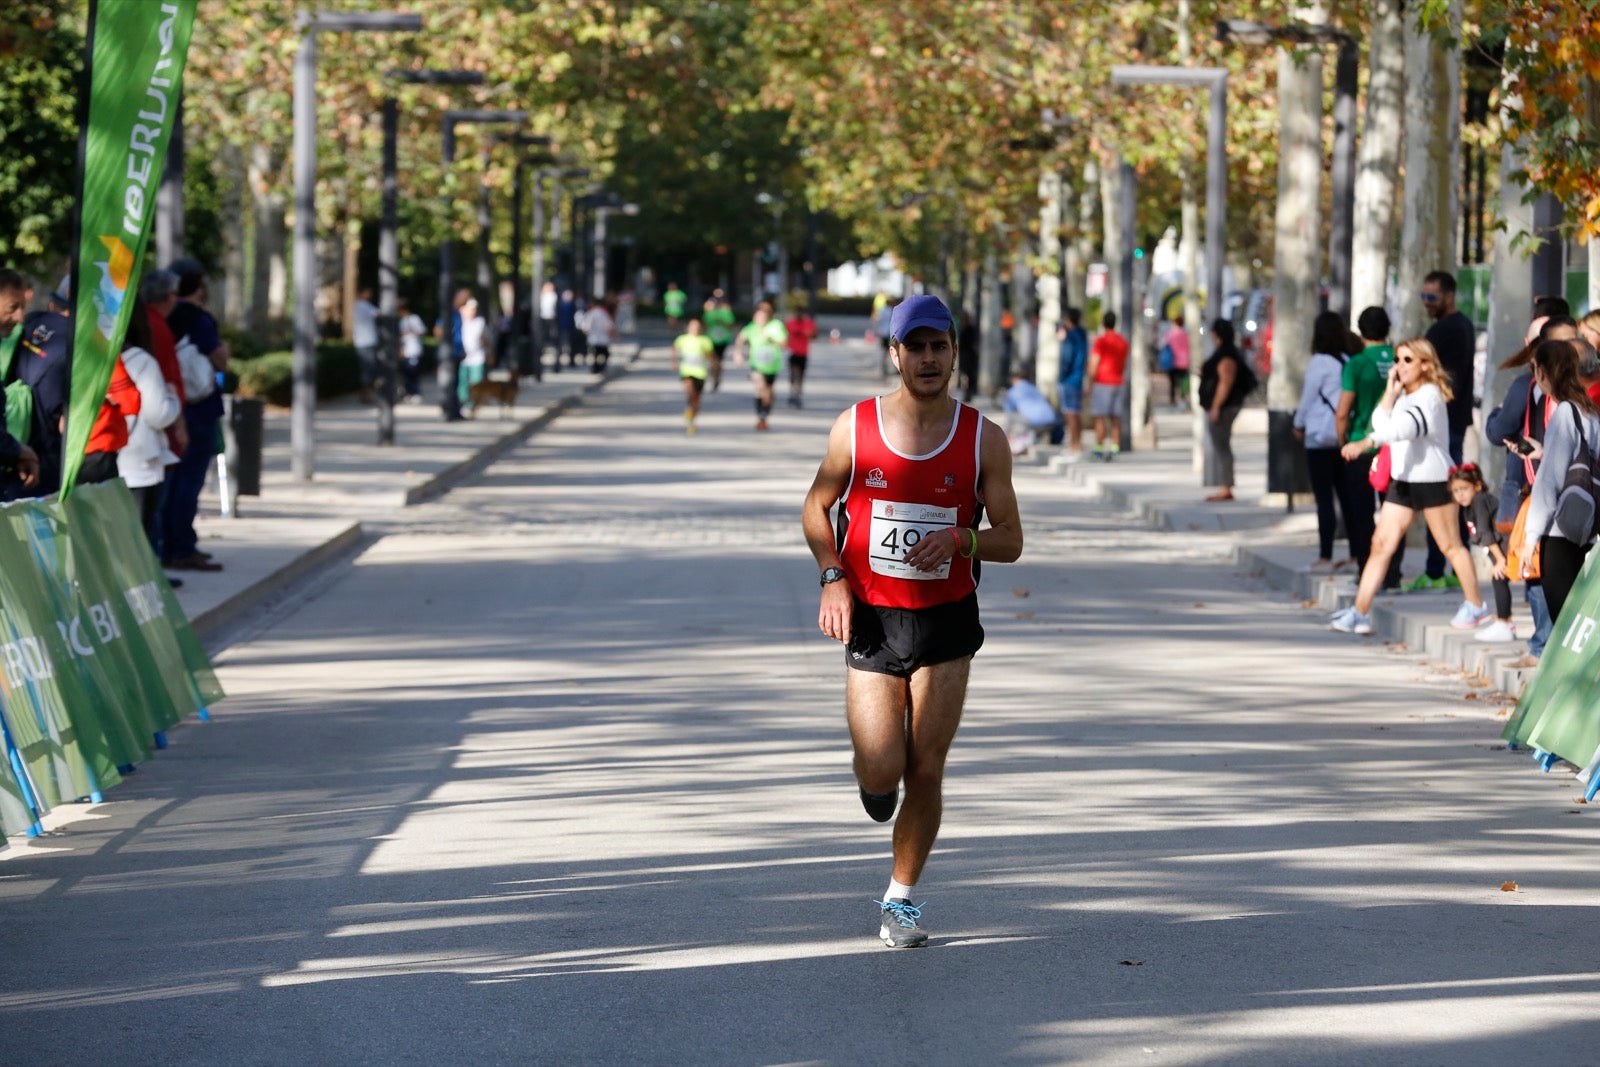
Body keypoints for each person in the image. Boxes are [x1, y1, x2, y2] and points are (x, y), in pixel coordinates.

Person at [801, 293, 1023, 949]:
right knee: (880, 768)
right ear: (894, 353)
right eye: (916, 346)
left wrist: (963, 541)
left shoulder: (984, 437)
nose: (928, 358)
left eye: (939, 346)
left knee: (926, 769)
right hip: (872, 617)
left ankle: (900, 906)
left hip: (947, 620)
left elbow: (1010, 537)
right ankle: (876, 791)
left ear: (954, 351)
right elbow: (816, 506)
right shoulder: (855, 426)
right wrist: (833, 575)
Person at [1333, 338, 1490, 635]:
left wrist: (1367, 443)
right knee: (1381, 545)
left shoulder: (1430, 395)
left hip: (1432, 479)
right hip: (1403, 480)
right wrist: (1390, 394)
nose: (1400, 366)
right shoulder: (1405, 394)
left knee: (1451, 546)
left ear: (1426, 365)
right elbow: (1382, 422)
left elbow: (1408, 428)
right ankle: (1359, 612)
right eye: (1397, 359)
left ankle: (1476, 605)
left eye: (1408, 360)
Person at [1516, 338, 1600, 624]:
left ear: (1541, 372)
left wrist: (1530, 539)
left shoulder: (1564, 412)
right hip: (1586, 525)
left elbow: (1549, 482)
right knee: (1580, 620)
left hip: (1560, 531)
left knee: (1564, 622)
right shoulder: (1589, 411)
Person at [162, 258, 229, 571]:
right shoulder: (199, 319)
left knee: (170, 481)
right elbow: (220, 359)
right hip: (199, 411)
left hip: (169, 408)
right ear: (198, 284)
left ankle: (167, 544)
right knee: (189, 481)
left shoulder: (163, 317)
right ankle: (182, 546)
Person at [1415, 270, 1477, 589]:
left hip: (1444, 425)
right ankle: (1449, 568)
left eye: (1432, 297)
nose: (1426, 303)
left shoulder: (1445, 331)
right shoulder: (1461, 326)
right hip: (1454, 422)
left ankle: (1438, 570)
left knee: (1441, 494)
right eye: (1423, 296)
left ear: (1449, 296)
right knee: (1452, 492)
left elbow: (1441, 381)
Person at [1337, 307, 1398, 583]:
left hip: (1362, 446)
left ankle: (1367, 572)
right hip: (1395, 447)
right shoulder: (1402, 358)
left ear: (1360, 331)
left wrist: (1343, 441)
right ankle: (1392, 575)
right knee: (1395, 514)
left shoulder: (1357, 363)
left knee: (1362, 515)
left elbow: (1343, 410)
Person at [1294, 311, 1357, 569]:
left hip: (1320, 437)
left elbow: (1308, 399)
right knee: (1348, 498)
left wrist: (1297, 424)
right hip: (1344, 438)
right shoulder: (1348, 359)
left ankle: (1325, 555)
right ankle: (1356, 553)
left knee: (1324, 500)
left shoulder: (1318, 362)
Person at [112, 298, 182, 514]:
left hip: (100, 461)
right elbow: (157, 413)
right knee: (137, 539)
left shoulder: (88, 359)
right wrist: (173, 398)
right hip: (138, 462)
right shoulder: (140, 360)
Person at [1449, 464, 1516, 643]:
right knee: (1500, 580)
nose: (1460, 494)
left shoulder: (1480, 500)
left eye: (1464, 488)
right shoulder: (1468, 507)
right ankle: (1505, 622)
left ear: (1477, 486)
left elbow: (1486, 532)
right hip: (1499, 550)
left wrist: (1500, 560)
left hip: (1507, 547)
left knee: (1499, 579)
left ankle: (1505, 623)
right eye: (1455, 491)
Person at [1199, 319, 1250, 501]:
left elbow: (1225, 382)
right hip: (1222, 405)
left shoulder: (1227, 355)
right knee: (1221, 445)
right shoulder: (1224, 352)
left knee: (1222, 447)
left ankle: (1225, 487)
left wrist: (1216, 406)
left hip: (1224, 407)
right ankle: (1224, 486)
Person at [732, 301, 787, 431]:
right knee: (760, 387)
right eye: (758, 316)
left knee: (768, 393)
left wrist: (771, 340)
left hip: (772, 365)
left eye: (764, 315)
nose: (760, 319)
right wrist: (737, 354)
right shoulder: (751, 327)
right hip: (756, 365)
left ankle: (764, 415)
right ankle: (760, 414)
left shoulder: (776, 326)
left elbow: (784, 343)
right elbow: (740, 339)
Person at [1086, 310, 1128, 461]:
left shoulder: (1100, 341)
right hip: (1118, 382)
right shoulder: (1123, 341)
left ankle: (1099, 449)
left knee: (1100, 418)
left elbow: (1094, 363)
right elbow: (1123, 364)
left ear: (1103, 323)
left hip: (1102, 383)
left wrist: (1089, 383)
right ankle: (1115, 449)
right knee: (1116, 418)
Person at [1002, 367, 1064, 455]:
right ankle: (1033, 439)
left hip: (1034, 423)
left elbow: (1009, 416)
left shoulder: (1012, 392)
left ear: (1014, 379)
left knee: (1013, 417)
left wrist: (1005, 435)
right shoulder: (1034, 388)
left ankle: (1017, 442)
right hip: (1052, 421)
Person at [1057, 307, 1089, 462]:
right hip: (1078, 377)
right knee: (1076, 412)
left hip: (1069, 378)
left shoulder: (1070, 337)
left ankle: (1074, 445)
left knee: (1070, 413)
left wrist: (1061, 374)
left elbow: (1067, 358)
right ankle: (1078, 444)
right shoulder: (1083, 335)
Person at [672, 317, 712, 434]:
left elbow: (709, 355)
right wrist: (674, 362)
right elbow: (674, 348)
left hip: (700, 372)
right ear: (688, 327)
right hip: (687, 371)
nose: (695, 328)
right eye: (693, 326)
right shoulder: (682, 339)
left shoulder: (705, 340)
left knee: (697, 399)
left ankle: (692, 421)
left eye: (697, 326)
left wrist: (713, 364)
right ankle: (689, 409)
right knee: (690, 391)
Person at [456, 297, 488, 413]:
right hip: (463, 357)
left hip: (477, 357)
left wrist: (489, 353)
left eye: (473, 309)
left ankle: (473, 404)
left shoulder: (480, 322)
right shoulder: (458, 321)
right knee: (462, 382)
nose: (471, 311)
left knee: (476, 382)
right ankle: (463, 402)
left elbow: (485, 339)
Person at [703, 290, 735, 392]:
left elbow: (731, 325)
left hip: (722, 339)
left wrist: (722, 322)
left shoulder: (726, 312)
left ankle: (717, 376)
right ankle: (714, 376)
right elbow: (704, 325)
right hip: (711, 339)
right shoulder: (709, 313)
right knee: (713, 360)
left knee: (719, 360)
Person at [785, 306, 817, 408]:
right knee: (793, 374)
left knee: (800, 376)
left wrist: (810, 334)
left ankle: (797, 394)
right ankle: (792, 393)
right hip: (792, 352)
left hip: (803, 353)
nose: (799, 315)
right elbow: (784, 334)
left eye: (801, 313)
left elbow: (815, 335)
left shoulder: (808, 323)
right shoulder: (790, 323)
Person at [352, 285, 379, 404]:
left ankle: (365, 395)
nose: (370, 295)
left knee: (367, 369)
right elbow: (378, 314)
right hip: (366, 342)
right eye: (368, 292)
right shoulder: (362, 306)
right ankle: (365, 395)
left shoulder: (360, 306)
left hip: (363, 341)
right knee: (368, 369)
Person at [398, 298, 425, 403]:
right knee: (406, 374)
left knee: (413, 373)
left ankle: (416, 393)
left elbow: (422, 331)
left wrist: (412, 330)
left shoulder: (414, 318)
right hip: (405, 352)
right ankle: (408, 393)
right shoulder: (401, 321)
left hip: (414, 350)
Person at [1160, 313, 1190, 408]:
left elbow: (1165, 344)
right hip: (1184, 361)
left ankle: (1173, 400)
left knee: (1173, 382)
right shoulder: (1185, 334)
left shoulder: (1170, 334)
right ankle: (1183, 399)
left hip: (1173, 361)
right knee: (1183, 382)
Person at [587, 295, 616, 373]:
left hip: (593, 338)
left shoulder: (591, 313)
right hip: (602, 339)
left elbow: (586, 326)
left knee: (595, 355)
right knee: (605, 354)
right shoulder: (603, 314)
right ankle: (601, 367)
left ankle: (595, 368)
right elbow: (609, 326)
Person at [554, 288, 578, 372]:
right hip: (562, 327)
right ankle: (557, 365)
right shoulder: (560, 304)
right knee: (560, 346)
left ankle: (571, 361)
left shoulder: (572, 304)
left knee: (570, 346)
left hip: (569, 326)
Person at [876, 295, 896, 378]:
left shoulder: (882, 311)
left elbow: (879, 321)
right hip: (889, 334)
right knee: (893, 350)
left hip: (883, 333)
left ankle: (884, 367)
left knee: (885, 351)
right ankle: (893, 368)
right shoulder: (891, 311)